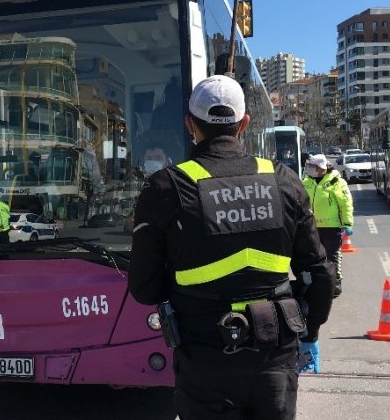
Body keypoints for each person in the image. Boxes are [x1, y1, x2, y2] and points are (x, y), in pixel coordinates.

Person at [129, 75, 335, 420]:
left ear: (190, 124)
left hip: (205, 360)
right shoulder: (284, 179)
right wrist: (309, 332)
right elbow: (318, 273)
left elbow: (144, 287)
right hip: (276, 354)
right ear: (244, 124)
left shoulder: (165, 186)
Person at [302, 154, 353, 298]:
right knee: (314, 257)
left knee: (332, 256)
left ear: (321, 168)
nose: (309, 169)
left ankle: (335, 283)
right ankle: (319, 284)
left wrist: (347, 223)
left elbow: (346, 203)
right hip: (312, 226)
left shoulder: (336, 182)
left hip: (331, 227)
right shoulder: (306, 181)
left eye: (312, 166)